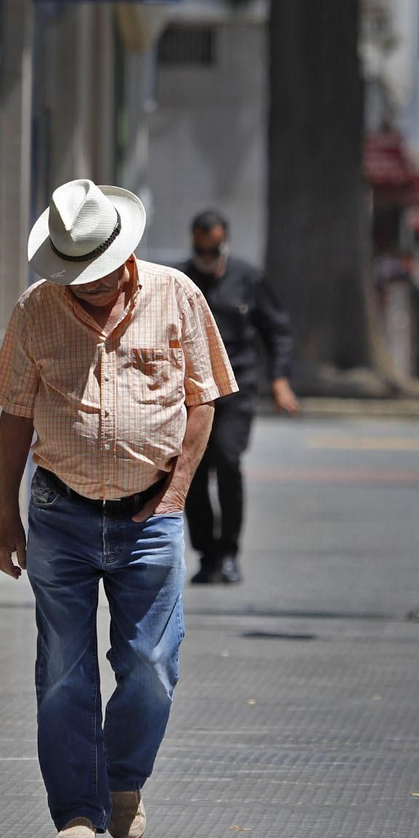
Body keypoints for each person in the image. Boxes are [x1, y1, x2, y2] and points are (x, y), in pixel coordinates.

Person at [0, 179, 236, 838]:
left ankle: (122, 782)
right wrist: (6, 514)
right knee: (63, 665)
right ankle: (76, 808)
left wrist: (178, 490)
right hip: (59, 512)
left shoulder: (177, 295)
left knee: (152, 664)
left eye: (94, 277)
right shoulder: (37, 310)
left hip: (149, 516)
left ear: (124, 256)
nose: (84, 287)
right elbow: (15, 411)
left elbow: (204, 396)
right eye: (73, 278)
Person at [176, 210, 298, 585]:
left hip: (236, 387)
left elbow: (277, 329)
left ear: (224, 242)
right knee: (192, 470)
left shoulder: (248, 279)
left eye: (213, 250)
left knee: (228, 461)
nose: (207, 258)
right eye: (201, 250)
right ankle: (207, 555)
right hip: (192, 392)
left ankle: (229, 552)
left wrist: (279, 378)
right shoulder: (180, 281)